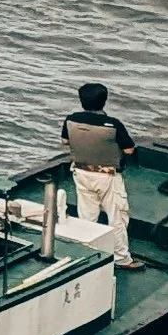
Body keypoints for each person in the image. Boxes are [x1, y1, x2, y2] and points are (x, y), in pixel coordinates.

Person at [62, 80, 134, 250]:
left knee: (87, 215)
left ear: (82, 101)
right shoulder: (114, 124)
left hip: (81, 172)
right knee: (117, 217)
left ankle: (88, 250)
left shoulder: (70, 119)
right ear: (104, 101)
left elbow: (65, 141)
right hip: (108, 176)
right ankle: (121, 258)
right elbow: (129, 150)